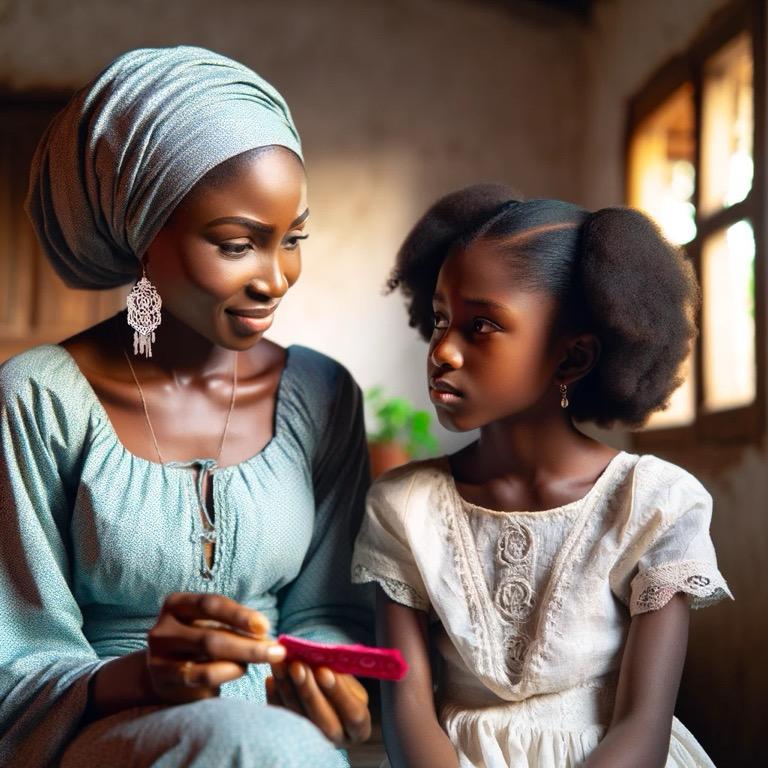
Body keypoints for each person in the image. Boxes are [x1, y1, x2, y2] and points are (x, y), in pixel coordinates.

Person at [0, 46, 374, 768]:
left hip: (287, 739)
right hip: (105, 730)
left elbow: (332, 612)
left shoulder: (323, 397)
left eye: (293, 239)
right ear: (144, 238)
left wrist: (326, 671)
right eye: (237, 244)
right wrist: (143, 674)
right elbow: (14, 657)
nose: (276, 279)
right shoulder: (37, 399)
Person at [351, 185, 733, 767]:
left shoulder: (656, 503)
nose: (443, 351)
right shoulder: (404, 506)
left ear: (573, 357)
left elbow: (644, 726)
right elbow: (408, 713)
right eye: (440, 320)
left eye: (481, 326)